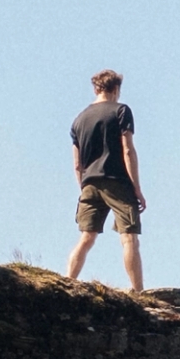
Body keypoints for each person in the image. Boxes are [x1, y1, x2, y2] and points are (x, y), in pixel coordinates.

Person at [63, 69, 146, 291]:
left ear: (96, 88)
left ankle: (68, 282)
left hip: (89, 183)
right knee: (129, 238)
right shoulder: (121, 111)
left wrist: (83, 186)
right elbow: (128, 150)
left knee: (86, 237)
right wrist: (136, 187)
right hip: (117, 180)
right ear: (116, 89)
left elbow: (77, 163)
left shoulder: (79, 119)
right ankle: (138, 292)